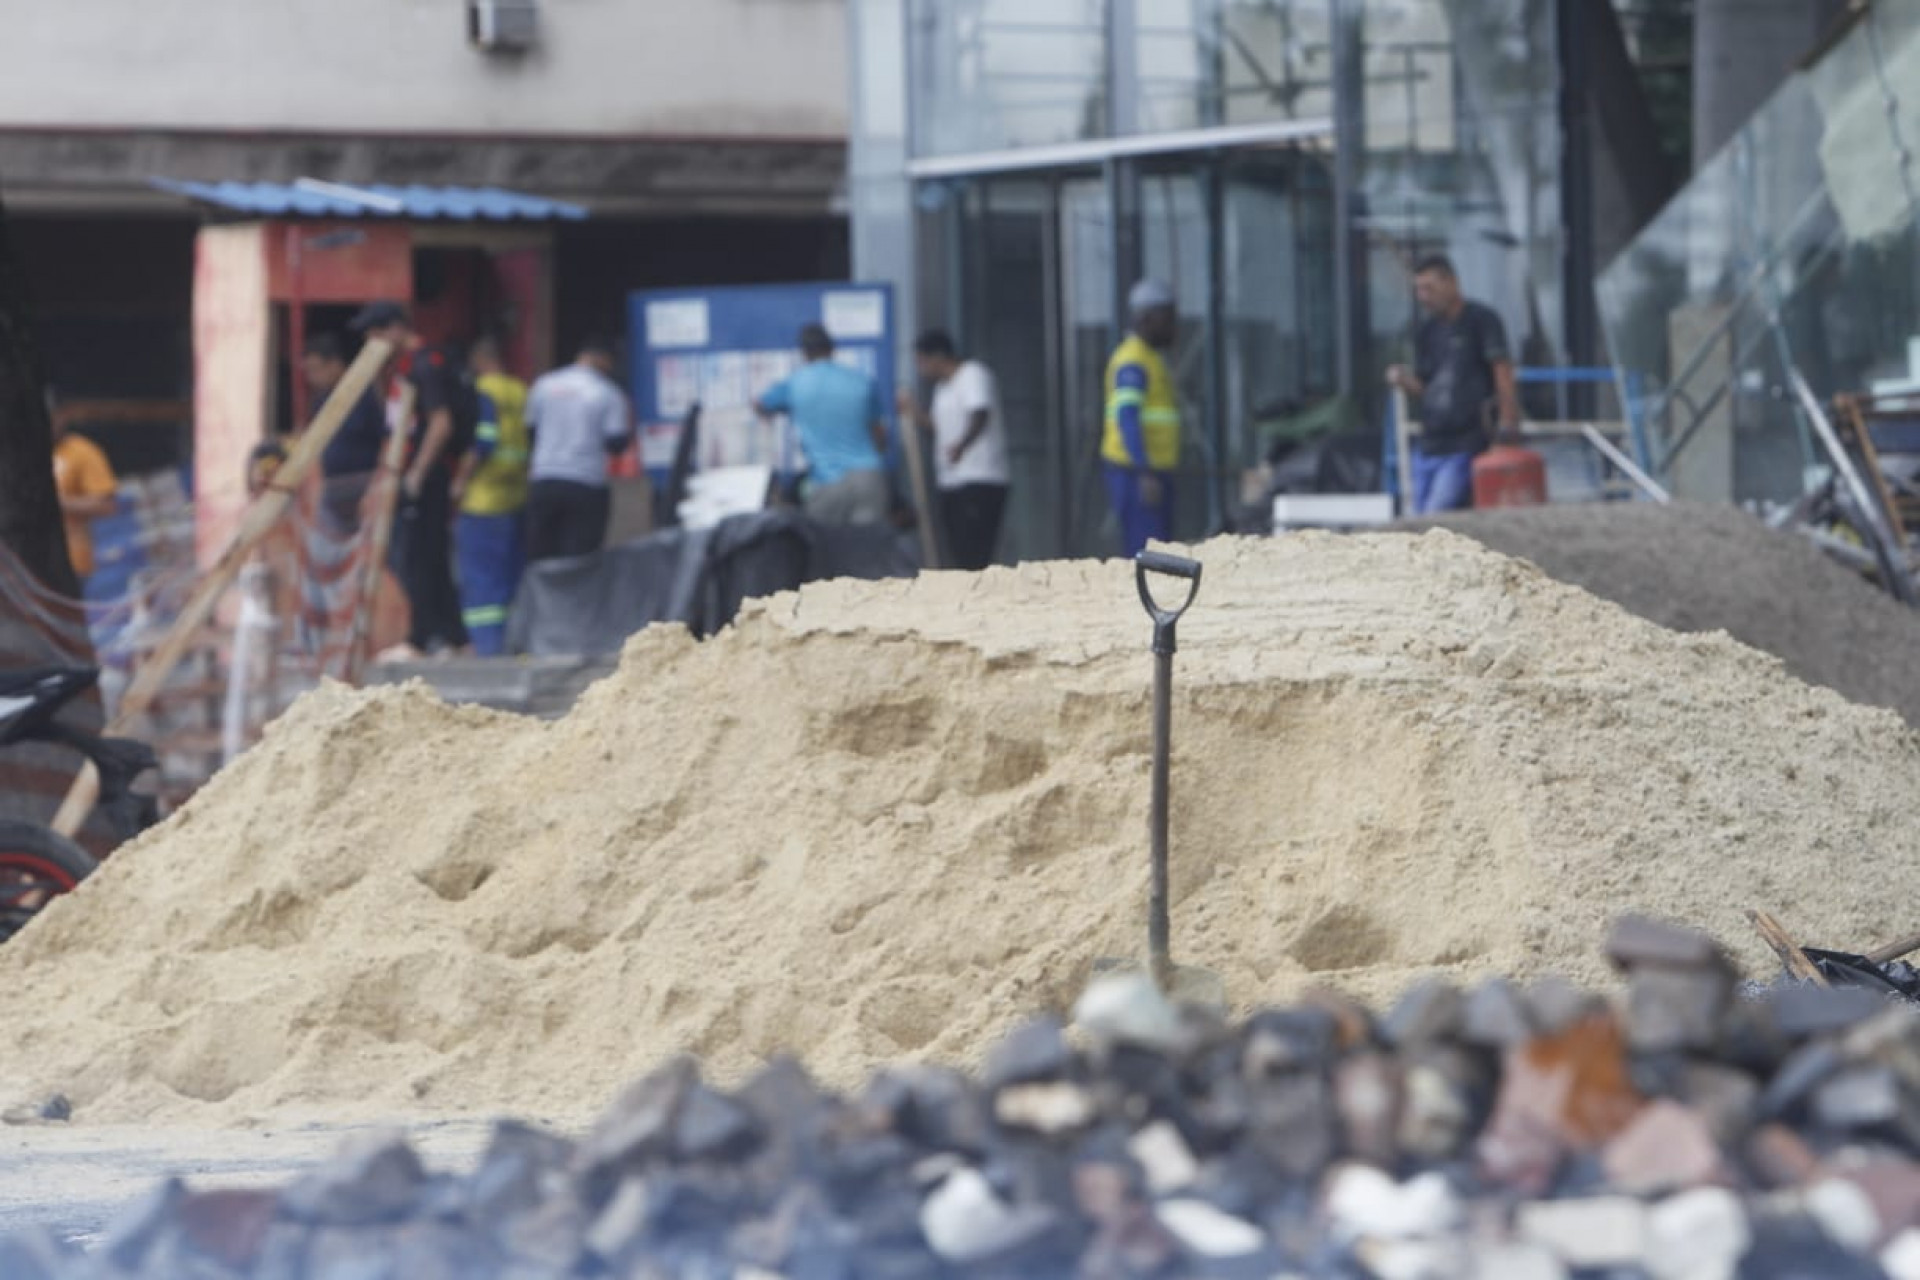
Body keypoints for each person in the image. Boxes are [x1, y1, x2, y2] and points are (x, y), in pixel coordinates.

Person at [348, 300, 474, 655]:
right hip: (409, 473)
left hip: (426, 475)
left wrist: (417, 474)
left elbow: (440, 422)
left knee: (418, 556)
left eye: (377, 332)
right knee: (425, 554)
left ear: (397, 328)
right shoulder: (399, 370)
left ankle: (420, 637)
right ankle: (451, 637)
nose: (372, 341)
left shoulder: (425, 365)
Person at [1386, 255, 1521, 514]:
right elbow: (1425, 386)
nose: (1423, 296)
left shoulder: (1482, 320)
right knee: (1417, 516)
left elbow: (1502, 372)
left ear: (1452, 283)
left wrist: (1507, 425)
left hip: (1467, 441)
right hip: (1430, 442)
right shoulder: (1427, 331)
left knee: (1438, 514)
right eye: (1418, 289)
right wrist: (1402, 380)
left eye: (1429, 288)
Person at [753, 324, 889, 525]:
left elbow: (761, 405)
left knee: (826, 551)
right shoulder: (861, 381)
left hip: (827, 482)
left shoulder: (796, 383)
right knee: (867, 551)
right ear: (832, 349)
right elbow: (879, 436)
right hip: (868, 478)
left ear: (804, 353)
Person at [896, 330, 1009, 570]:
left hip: (979, 478)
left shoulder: (972, 374)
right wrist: (913, 413)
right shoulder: (942, 389)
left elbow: (980, 414)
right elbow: (939, 428)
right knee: (958, 549)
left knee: (975, 549)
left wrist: (962, 445)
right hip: (951, 480)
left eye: (922, 361)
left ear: (938, 357)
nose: (921, 368)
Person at [453, 336, 531, 655]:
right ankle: (511, 642)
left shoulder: (484, 390)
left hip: (482, 498)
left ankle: (486, 647)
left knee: (480, 578)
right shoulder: (520, 390)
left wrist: (459, 479)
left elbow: (484, 440)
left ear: (480, 361)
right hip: (515, 495)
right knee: (509, 575)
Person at [524, 336, 632, 562]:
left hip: (544, 478)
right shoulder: (608, 392)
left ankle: (543, 598)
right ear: (602, 359)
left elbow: (531, 430)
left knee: (540, 556)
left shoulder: (544, 384)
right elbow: (616, 443)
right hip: (586, 482)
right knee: (581, 560)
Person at [1102, 280, 1182, 556]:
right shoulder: (1133, 361)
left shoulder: (1148, 358)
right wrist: (1143, 470)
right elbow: (1128, 417)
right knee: (1149, 554)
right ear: (1146, 318)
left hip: (1149, 471)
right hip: (1137, 473)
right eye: (1167, 318)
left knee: (1157, 552)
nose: (1173, 326)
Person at [301, 332, 389, 535]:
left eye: (316, 370)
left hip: (365, 490)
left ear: (335, 364)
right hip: (332, 494)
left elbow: (385, 440)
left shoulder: (366, 396)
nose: (312, 378)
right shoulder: (320, 401)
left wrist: (376, 489)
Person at [49, 397, 117, 593]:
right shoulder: (18, 455)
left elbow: (107, 505)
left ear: (62, 417)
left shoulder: (81, 451)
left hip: (72, 560)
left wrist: (56, 503)